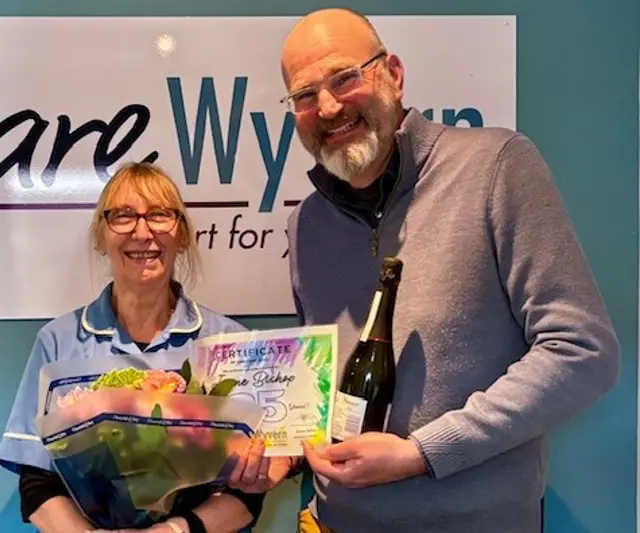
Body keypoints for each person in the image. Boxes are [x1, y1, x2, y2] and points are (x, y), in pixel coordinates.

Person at [249, 7, 620, 533]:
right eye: (305, 95)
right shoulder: (306, 222)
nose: (328, 107)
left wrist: (423, 453)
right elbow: (322, 385)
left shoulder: (496, 166)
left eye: (344, 78)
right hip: (333, 522)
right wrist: (282, 452)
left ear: (393, 74)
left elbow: (582, 351)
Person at [0, 161, 267, 533]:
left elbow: (249, 490)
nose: (142, 232)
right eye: (122, 216)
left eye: (159, 215)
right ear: (100, 237)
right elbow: (37, 479)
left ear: (183, 236)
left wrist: (174, 531)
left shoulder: (229, 342)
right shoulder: (58, 341)